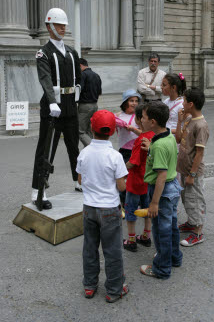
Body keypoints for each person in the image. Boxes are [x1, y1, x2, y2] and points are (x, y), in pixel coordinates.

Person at [76, 110, 129, 302]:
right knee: (112, 251)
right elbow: (121, 186)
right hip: (109, 209)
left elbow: (80, 180)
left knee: (90, 248)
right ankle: (114, 289)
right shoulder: (115, 156)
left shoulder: (84, 153)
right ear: (114, 131)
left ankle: (89, 285)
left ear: (91, 128)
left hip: (89, 208)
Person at [31, 8, 82, 209]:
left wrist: (80, 99)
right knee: (45, 151)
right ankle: (38, 192)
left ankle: (78, 181)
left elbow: (79, 78)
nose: (63, 28)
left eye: (64, 25)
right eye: (59, 25)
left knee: (73, 147)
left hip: (70, 107)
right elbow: (44, 78)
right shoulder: (43, 53)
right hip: (52, 109)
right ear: (49, 26)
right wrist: (52, 100)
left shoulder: (71, 52)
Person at [139, 102, 183, 279]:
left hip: (162, 192)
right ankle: (174, 257)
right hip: (172, 189)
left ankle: (162, 268)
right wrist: (151, 147)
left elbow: (161, 176)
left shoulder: (158, 146)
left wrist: (154, 202)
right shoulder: (167, 137)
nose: (141, 120)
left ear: (153, 122)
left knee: (161, 231)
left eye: (143, 117)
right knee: (171, 225)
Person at [176, 87, 209, 247]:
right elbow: (178, 139)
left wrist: (192, 174)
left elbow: (199, 153)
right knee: (186, 199)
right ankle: (191, 222)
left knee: (195, 200)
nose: (181, 103)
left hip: (192, 172)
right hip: (183, 169)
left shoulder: (201, 125)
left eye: (183, 100)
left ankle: (198, 232)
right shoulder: (189, 119)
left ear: (190, 104)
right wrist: (180, 121)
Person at [123, 104, 154, 252]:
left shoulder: (140, 140)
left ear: (138, 119)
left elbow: (133, 163)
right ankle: (146, 236)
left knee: (130, 210)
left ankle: (131, 239)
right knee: (146, 209)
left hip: (135, 183)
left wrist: (120, 171)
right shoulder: (153, 137)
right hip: (148, 181)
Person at [115, 89, 141, 209]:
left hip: (137, 150)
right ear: (125, 102)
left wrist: (133, 129)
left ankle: (137, 200)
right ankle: (124, 202)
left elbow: (145, 133)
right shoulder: (119, 116)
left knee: (136, 177)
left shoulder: (140, 117)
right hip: (124, 151)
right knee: (123, 177)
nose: (134, 103)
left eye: (136, 101)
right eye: (131, 101)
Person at [78, 58, 102, 150]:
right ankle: (90, 153)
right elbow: (99, 92)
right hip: (94, 105)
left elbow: (79, 90)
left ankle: (94, 149)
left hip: (85, 105)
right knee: (89, 130)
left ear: (80, 65)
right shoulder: (96, 75)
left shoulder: (83, 75)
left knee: (80, 131)